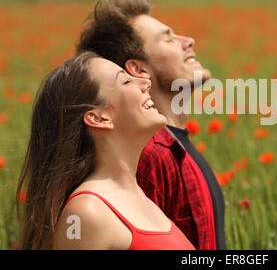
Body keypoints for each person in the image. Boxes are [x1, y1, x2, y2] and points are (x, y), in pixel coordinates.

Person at [76, 0, 226, 250]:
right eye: (168, 39)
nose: (188, 40)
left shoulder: (174, 147)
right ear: (139, 70)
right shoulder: (149, 155)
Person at [15, 52, 195, 250]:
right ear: (99, 118)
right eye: (126, 81)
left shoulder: (144, 199)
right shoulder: (86, 213)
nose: (146, 81)